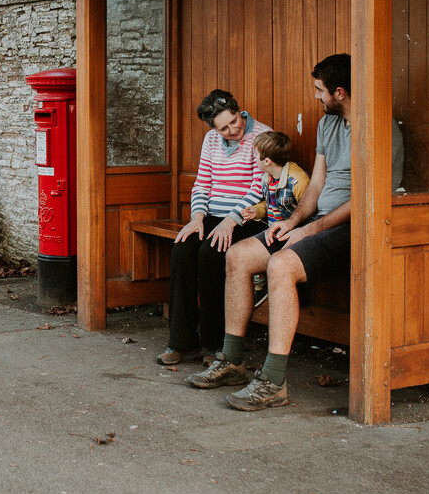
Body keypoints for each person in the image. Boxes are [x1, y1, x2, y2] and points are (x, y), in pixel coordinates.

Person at [186, 54, 404, 411]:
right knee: (238, 255)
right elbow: (316, 184)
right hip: (314, 221)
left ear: (340, 91)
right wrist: (293, 221)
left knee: (281, 266)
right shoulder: (327, 125)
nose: (316, 97)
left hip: (356, 227)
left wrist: (311, 229)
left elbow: (368, 200)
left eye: (320, 91)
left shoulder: (380, 130)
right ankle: (232, 360)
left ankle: (273, 382)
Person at [157, 90, 271, 366]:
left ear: (238, 110)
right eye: (224, 128)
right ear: (214, 129)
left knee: (211, 254)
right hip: (211, 216)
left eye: (234, 121)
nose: (233, 129)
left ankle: (213, 344)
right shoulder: (211, 140)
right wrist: (197, 218)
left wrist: (229, 222)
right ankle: (183, 343)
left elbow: (259, 188)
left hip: (246, 218)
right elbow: (202, 183)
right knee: (183, 249)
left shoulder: (262, 135)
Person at [226, 131, 310, 229]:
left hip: (293, 232)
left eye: (256, 154)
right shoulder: (268, 179)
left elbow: (308, 210)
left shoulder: (297, 182)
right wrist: (256, 211)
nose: (254, 157)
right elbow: (271, 204)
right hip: (273, 230)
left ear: (266, 161)